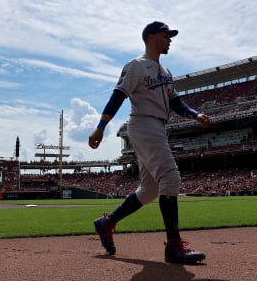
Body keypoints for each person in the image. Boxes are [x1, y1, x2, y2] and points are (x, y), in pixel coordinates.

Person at [88, 21, 211, 264]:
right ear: (152, 36)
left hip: (157, 126)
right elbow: (118, 95)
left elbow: (175, 101)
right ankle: (174, 246)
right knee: (171, 177)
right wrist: (100, 127)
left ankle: (107, 222)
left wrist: (194, 114)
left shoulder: (166, 73)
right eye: (167, 35)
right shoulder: (136, 65)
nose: (170, 39)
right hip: (143, 123)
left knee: (151, 190)